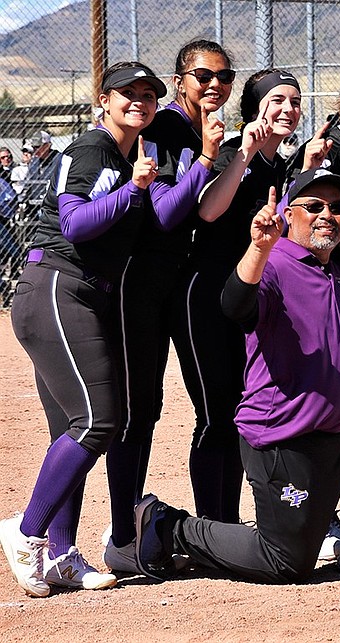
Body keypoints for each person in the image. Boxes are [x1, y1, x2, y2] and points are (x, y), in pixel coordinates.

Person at [131, 169, 340, 584]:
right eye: (313, 206)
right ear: (290, 215)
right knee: (286, 563)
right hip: (287, 440)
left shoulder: (334, 274)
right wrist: (258, 248)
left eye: (335, 207)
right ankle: (170, 526)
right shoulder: (275, 264)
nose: (326, 214)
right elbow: (235, 305)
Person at [0, 62, 171, 597]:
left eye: (148, 94)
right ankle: (27, 533)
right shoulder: (95, 150)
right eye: (128, 93)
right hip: (59, 284)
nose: (139, 101)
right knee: (100, 420)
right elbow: (74, 221)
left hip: (76, 293)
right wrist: (134, 187)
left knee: (69, 429)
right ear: (103, 99)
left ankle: (60, 552)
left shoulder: (126, 156)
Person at [162, 69, 302, 569]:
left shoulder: (281, 163)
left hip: (249, 299)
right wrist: (241, 155)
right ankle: (209, 529)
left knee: (242, 413)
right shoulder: (234, 151)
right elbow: (208, 213)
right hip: (206, 295)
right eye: (277, 100)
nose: (287, 109)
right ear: (255, 108)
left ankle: (227, 526)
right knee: (215, 415)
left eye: (295, 100)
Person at [102, 40, 231, 575]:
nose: (213, 85)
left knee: (217, 405)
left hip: (187, 284)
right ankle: (122, 534)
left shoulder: (214, 135)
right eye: (202, 75)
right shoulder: (161, 129)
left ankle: (217, 529)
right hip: (142, 281)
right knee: (138, 409)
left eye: (223, 76)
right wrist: (204, 155)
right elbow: (164, 215)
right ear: (181, 79)